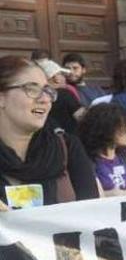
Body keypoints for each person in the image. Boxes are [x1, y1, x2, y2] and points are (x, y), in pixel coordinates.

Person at [0, 56, 99, 210]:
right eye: (32, 89)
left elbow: (93, 218)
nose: (45, 99)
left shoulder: (67, 148)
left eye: (47, 90)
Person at [79, 103, 126, 196]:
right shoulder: (89, 162)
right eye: (123, 127)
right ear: (107, 129)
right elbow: (98, 196)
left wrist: (115, 194)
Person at [37, 59, 84, 136]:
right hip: (67, 141)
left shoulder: (36, 97)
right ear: (56, 79)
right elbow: (83, 118)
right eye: (61, 74)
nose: (65, 78)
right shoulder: (64, 94)